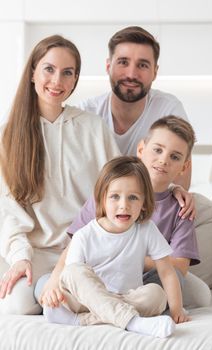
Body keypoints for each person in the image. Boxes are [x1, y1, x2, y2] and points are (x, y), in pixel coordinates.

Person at [0, 35, 121, 315]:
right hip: (35, 251)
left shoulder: (93, 127)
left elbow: (120, 185)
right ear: (32, 72)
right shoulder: (8, 135)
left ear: (75, 79)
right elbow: (7, 210)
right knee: (17, 306)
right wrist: (20, 258)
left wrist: (171, 189)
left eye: (68, 73)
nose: (57, 81)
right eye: (49, 69)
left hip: (86, 249)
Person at [38, 116, 210, 309]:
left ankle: (103, 308)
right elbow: (75, 246)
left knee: (180, 283)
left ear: (184, 167)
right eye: (158, 150)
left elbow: (179, 266)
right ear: (141, 150)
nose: (163, 160)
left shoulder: (181, 208)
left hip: (142, 283)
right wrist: (55, 279)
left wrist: (129, 258)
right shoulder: (107, 192)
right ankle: (113, 308)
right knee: (44, 286)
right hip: (96, 275)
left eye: (175, 156)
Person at [42, 156, 189, 338]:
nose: (124, 205)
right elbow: (74, 280)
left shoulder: (147, 229)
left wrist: (176, 310)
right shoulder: (84, 235)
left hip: (128, 298)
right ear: (102, 199)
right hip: (87, 300)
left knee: (156, 295)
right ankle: (133, 323)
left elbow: (167, 272)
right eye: (114, 197)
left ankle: (80, 321)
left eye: (133, 197)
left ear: (144, 203)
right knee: (73, 272)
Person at [78, 25, 191, 190]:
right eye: (123, 62)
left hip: (153, 206)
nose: (131, 74)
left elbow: (180, 182)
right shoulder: (87, 112)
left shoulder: (169, 108)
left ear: (155, 71)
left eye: (143, 65)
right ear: (108, 66)